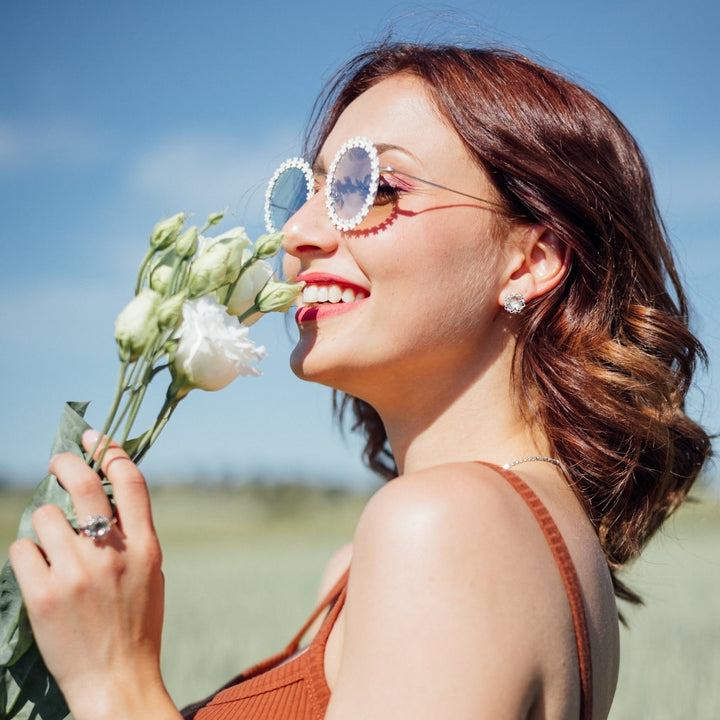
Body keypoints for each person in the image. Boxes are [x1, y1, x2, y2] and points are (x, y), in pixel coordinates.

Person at [8, 42, 711, 720]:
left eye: (368, 187)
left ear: (532, 259)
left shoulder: (448, 528)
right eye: (304, 193)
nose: (299, 236)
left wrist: (115, 685)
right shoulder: (433, 549)